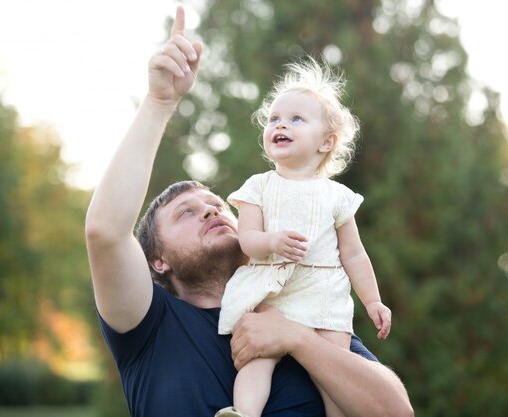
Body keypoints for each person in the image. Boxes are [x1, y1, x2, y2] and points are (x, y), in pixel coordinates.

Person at [85, 5, 413, 417]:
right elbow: (105, 232)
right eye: (186, 213)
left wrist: (297, 339)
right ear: (158, 260)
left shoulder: (300, 308)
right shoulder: (149, 325)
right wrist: (159, 101)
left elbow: (396, 413)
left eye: (217, 205)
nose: (210, 211)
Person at [215, 59, 391, 417]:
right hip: (272, 290)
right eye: (274, 118)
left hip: (324, 294)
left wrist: (372, 300)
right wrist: (271, 242)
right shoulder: (259, 186)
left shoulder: (338, 196)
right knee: (256, 360)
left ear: (327, 142)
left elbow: (353, 254)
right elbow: (246, 239)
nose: (280, 123)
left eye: (296, 118)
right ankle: (244, 413)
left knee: (334, 369)